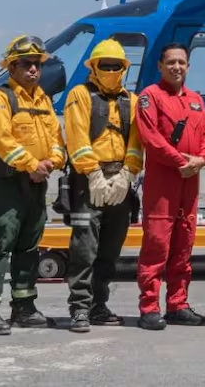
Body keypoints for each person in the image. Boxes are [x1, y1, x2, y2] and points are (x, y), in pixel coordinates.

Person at [0, 35, 66, 335]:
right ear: (11, 67)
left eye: (37, 64)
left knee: (29, 247)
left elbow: (56, 138)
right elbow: (1, 140)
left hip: (36, 184)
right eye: (26, 64)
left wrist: (51, 161)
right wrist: (31, 165)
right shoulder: (0, 99)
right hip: (7, 185)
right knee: (0, 246)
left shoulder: (43, 100)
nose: (33, 69)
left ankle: (24, 307)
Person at [62, 39, 144, 333]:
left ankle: (99, 305)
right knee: (84, 248)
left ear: (124, 68)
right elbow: (76, 137)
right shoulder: (80, 95)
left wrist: (127, 173)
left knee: (110, 249)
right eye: (105, 65)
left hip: (120, 181)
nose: (110, 71)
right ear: (94, 67)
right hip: (88, 182)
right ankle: (79, 308)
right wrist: (93, 173)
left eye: (116, 66)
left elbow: (136, 143)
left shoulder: (132, 101)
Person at [135, 42, 205, 329]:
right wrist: (181, 161)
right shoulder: (150, 97)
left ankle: (177, 304)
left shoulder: (196, 100)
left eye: (181, 62)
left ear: (188, 67)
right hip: (163, 182)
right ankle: (149, 307)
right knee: (157, 244)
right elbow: (151, 138)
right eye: (171, 62)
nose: (176, 67)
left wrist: (202, 158)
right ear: (160, 66)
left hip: (189, 180)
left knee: (184, 242)